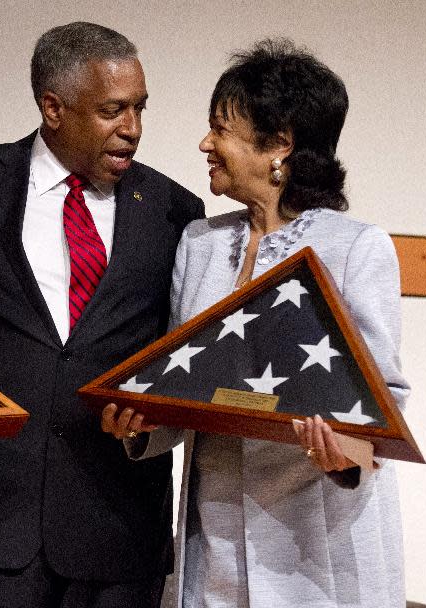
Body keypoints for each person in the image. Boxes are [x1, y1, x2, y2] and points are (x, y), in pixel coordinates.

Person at [0, 21, 204, 608]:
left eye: (139, 108)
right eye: (113, 110)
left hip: (118, 528)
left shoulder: (174, 210)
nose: (132, 129)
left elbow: (180, 356)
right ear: (53, 107)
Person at [102, 38, 409, 607]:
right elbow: (180, 380)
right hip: (212, 542)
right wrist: (140, 425)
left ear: (279, 147)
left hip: (318, 548)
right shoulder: (199, 242)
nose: (205, 143)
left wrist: (346, 451)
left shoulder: (356, 248)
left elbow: (383, 400)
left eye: (221, 128)